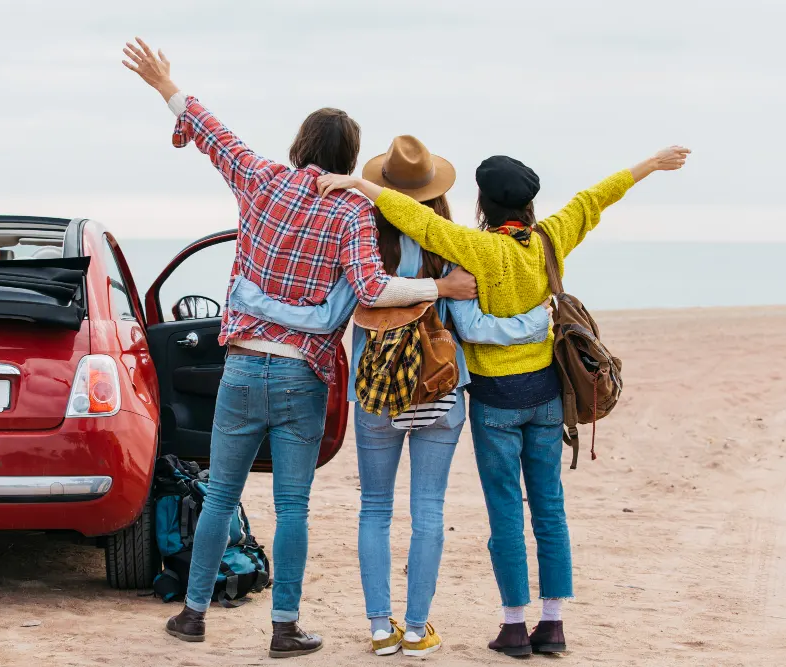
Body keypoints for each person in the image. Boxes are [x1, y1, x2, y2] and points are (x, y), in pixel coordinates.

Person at [121, 39, 477, 659]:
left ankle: (193, 615)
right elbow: (370, 288)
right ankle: (284, 627)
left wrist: (165, 85)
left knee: (220, 495)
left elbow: (210, 132)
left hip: (239, 369)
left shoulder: (260, 179)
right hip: (300, 376)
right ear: (350, 160)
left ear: (298, 146)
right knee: (292, 507)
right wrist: (440, 286)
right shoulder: (350, 213)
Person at [315, 145, 691, 656]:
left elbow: (413, 219)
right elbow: (595, 198)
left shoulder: (474, 247)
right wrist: (649, 164)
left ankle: (514, 625)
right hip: (546, 398)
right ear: (529, 206)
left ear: (482, 206)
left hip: (494, 404)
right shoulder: (550, 239)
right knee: (550, 509)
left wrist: (362, 186)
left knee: (505, 514)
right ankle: (552, 624)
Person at [227, 135, 552, 658]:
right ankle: (419, 628)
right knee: (428, 509)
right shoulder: (452, 244)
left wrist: (251, 300)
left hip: (377, 392)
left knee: (374, 509)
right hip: (440, 391)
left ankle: (381, 628)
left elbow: (337, 307)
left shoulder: (361, 234)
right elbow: (470, 323)